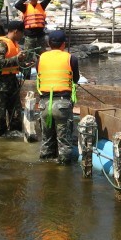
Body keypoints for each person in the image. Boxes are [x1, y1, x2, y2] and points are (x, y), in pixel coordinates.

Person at [35, 30, 79, 164]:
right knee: (64, 142)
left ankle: (46, 167)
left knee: (46, 141)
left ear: (49, 43)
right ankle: (64, 174)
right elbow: (75, 79)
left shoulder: (41, 58)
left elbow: (39, 74)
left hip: (44, 104)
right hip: (62, 105)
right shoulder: (71, 58)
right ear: (63, 44)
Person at [0, 20, 25, 136]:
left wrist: (23, 63)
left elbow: (14, 62)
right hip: (0, 85)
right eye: (21, 33)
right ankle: (1, 142)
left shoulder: (14, 43)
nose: (22, 35)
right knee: (0, 116)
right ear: (15, 32)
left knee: (16, 114)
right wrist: (16, 59)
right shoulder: (2, 43)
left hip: (12, 83)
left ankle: (15, 141)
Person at [15, 0, 53, 67]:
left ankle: (42, 72)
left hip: (40, 36)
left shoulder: (42, 6)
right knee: (27, 56)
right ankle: (27, 75)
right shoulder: (25, 7)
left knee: (42, 56)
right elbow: (17, 5)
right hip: (29, 36)